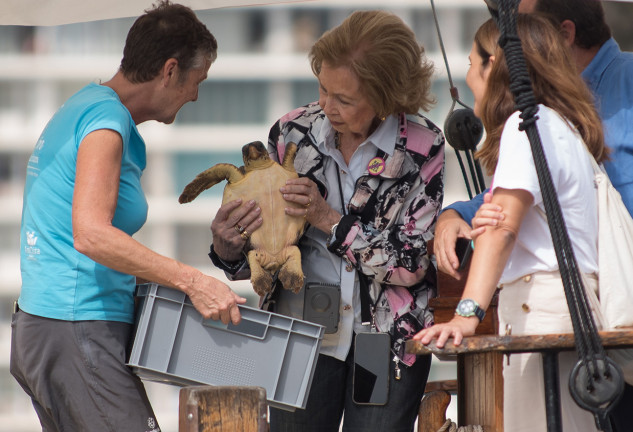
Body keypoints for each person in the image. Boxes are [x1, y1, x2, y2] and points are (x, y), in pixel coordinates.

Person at [10, 2, 247, 431]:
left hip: (52, 327)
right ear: (171, 70)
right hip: (76, 325)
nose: (196, 94)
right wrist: (193, 281)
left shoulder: (84, 105)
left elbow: (73, 237)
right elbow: (91, 236)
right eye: (198, 80)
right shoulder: (106, 121)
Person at [208, 10, 445, 432]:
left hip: (384, 342)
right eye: (322, 87)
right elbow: (269, 247)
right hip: (299, 337)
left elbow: (410, 265)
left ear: (387, 97)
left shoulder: (423, 147)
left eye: (344, 99)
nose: (325, 105)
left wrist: (330, 220)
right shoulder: (290, 132)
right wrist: (229, 249)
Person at [433, 1, 633, 429]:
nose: (468, 76)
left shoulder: (529, 128)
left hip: (542, 312)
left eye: (472, 63)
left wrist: (466, 314)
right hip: (566, 311)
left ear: (494, 66)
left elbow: (503, 227)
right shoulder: (562, 125)